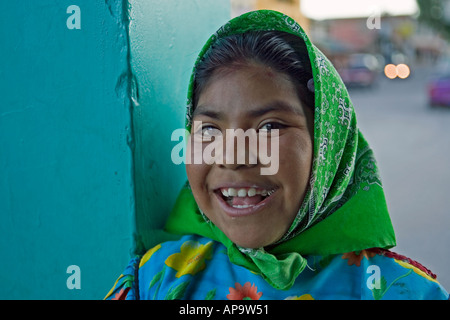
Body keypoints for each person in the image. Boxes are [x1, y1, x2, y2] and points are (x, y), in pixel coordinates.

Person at [105, 10, 448, 300]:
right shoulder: (156, 281)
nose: (233, 158)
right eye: (209, 130)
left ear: (326, 148)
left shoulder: (402, 291)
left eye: (269, 128)